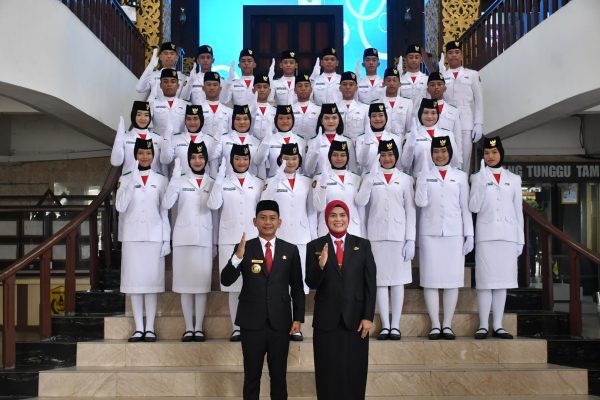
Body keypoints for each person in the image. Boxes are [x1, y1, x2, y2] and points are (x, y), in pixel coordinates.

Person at [221, 200, 305, 400]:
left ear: (279, 222)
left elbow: (297, 287)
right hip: (251, 323)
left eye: (272, 218)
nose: (268, 222)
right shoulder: (244, 247)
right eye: (263, 218)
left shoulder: (290, 250)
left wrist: (298, 318)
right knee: (252, 377)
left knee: (279, 377)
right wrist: (237, 257)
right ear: (255, 221)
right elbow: (226, 280)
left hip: (280, 323)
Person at [305, 200, 376, 400]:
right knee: (327, 372)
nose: (338, 219)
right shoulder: (315, 246)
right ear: (326, 218)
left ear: (348, 218)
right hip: (326, 322)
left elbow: (370, 284)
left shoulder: (363, 245)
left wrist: (368, 317)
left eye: (342, 215)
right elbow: (310, 282)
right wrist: (321, 266)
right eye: (333, 215)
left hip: (356, 321)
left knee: (355, 371)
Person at [356, 140, 416, 341]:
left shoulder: (405, 179)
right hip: (376, 235)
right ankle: (385, 325)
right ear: (378, 157)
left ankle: (395, 325)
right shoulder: (370, 177)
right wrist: (369, 180)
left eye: (390, 155)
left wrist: (410, 239)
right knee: (380, 282)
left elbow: (411, 211)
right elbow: (360, 202)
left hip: (399, 236)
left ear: (396, 156)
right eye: (383, 155)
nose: (387, 158)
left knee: (398, 282)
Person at [415, 136, 473, 340]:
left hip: (454, 233)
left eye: (443, 151)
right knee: (430, 280)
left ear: (450, 153)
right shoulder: (425, 175)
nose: (440, 155)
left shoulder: (460, 176)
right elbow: (420, 202)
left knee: (452, 280)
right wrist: (422, 180)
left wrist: (469, 234)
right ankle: (435, 324)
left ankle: (447, 324)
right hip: (429, 234)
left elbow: (465, 207)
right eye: (436, 151)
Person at [115, 138, 170, 342]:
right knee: (135, 285)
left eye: (148, 153)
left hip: (154, 237)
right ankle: (139, 328)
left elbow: (164, 212)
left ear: (153, 155)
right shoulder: (125, 178)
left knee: (151, 284)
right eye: (141, 153)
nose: (145, 156)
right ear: (135, 155)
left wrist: (166, 240)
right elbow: (120, 206)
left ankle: (150, 328)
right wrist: (131, 182)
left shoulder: (161, 179)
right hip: (132, 237)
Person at [469, 136, 523, 340]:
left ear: (501, 153)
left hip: (508, 236)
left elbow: (518, 213)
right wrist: (482, 184)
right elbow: (473, 207)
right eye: (486, 153)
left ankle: (498, 325)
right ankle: (483, 325)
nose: (490, 156)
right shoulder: (477, 177)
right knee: (485, 282)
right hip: (486, 236)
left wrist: (520, 240)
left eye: (494, 152)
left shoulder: (514, 179)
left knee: (502, 282)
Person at [207, 144, 263, 341]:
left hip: (253, 239)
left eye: (245, 159)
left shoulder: (258, 183)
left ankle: (253, 325)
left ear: (249, 161)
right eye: (237, 158)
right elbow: (213, 204)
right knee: (233, 287)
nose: (241, 162)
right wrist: (219, 179)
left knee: (253, 285)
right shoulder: (223, 181)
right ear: (232, 160)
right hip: (229, 239)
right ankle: (236, 328)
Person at [162, 142, 215, 342]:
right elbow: (166, 203)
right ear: (188, 159)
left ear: (206, 159)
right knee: (184, 286)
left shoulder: (212, 182)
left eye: (201, 157)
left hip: (204, 238)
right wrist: (174, 180)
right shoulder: (180, 180)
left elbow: (216, 213)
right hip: (183, 239)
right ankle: (188, 328)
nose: (197, 161)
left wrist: (215, 243)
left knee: (201, 286)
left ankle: (198, 328)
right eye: (193, 157)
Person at [261, 143, 317, 301]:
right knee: (280, 282)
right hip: (280, 236)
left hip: (301, 237)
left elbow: (311, 211)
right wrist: (276, 179)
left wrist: (313, 237)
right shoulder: (271, 180)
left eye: (294, 158)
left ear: (299, 160)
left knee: (300, 282)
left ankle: (297, 316)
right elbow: (264, 203)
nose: (291, 162)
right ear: (280, 159)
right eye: (286, 158)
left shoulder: (307, 181)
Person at [441, 40, 484, 171]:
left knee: (465, 159)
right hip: (447, 122)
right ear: (446, 57)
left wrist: (478, 123)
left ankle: (464, 182)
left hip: (466, 122)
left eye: (457, 52)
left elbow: (479, 100)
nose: (454, 55)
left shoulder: (472, 74)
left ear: (461, 55)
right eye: (450, 53)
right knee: (447, 157)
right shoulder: (442, 76)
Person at [312, 140, 364, 237]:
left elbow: (361, 209)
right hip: (327, 228)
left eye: (343, 155)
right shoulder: (319, 177)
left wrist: (363, 235)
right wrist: (323, 184)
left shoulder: (356, 178)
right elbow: (318, 207)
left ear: (347, 157)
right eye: (335, 155)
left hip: (353, 228)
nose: (339, 158)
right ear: (330, 156)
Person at [400, 98, 461, 174]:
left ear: (438, 115)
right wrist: (410, 146)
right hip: (421, 179)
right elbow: (405, 165)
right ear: (420, 114)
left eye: (433, 113)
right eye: (426, 112)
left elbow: (455, 163)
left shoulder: (448, 134)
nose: (429, 116)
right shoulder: (411, 135)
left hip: (442, 179)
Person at [160, 105, 220, 175]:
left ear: (201, 120)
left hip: (202, 181)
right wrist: (167, 135)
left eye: (195, 119)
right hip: (180, 181)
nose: (192, 122)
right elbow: (165, 160)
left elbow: (212, 164)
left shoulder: (209, 140)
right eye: (189, 119)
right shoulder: (175, 138)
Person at [111, 101, 166, 175]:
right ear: (133, 115)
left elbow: (164, 166)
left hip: (154, 181)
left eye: (146, 115)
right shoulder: (125, 137)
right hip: (130, 180)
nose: (143, 118)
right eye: (139, 114)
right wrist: (119, 137)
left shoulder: (158, 138)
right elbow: (116, 162)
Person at [304, 103, 357, 176]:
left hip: (342, 182)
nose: (331, 121)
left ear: (339, 120)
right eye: (326, 118)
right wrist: (315, 151)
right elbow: (309, 170)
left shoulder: (348, 142)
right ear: (321, 121)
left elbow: (352, 170)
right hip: (320, 181)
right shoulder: (312, 142)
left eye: (334, 118)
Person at [426, 71, 463, 168]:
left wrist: (459, 161)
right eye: (432, 85)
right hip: (428, 156)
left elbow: (458, 138)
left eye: (439, 84)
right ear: (428, 89)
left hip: (448, 155)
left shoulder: (453, 111)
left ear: (445, 88)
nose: (436, 87)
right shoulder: (422, 111)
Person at [355, 103, 403, 173]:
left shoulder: (396, 139)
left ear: (386, 117)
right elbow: (361, 163)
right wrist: (366, 143)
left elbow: (399, 166)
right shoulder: (360, 139)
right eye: (374, 116)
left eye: (381, 115)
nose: (377, 119)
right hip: (368, 177)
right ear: (369, 118)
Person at [221, 105, 268, 177]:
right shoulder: (223, 140)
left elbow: (261, 168)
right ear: (233, 120)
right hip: (228, 181)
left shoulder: (257, 142)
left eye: (245, 119)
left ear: (250, 121)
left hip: (251, 182)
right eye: (238, 119)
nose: (242, 122)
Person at [262, 105, 306, 177]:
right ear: (276, 120)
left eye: (288, 118)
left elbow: (303, 169)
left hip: (296, 181)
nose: (285, 121)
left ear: (293, 120)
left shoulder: (301, 141)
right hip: (274, 181)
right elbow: (261, 164)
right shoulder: (268, 140)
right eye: (281, 118)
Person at [149, 68, 188, 138]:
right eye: (165, 82)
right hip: (158, 142)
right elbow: (146, 127)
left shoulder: (186, 105)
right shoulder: (153, 104)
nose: (169, 84)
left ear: (178, 86)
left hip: (179, 142)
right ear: (160, 85)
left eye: (173, 82)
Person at [381, 67, 414, 139]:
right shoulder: (377, 103)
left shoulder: (407, 103)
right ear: (383, 84)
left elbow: (410, 128)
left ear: (399, 84)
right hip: (382, 142)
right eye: (388, 80)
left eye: (394, 80)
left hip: (401, 141)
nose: (391, 83)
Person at [199, 71, 233, 139]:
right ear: (203, 88)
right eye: (208, 85)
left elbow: (232, 135)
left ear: (220, 88)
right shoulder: (198, 110)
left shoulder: (229, 112)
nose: (212, 88)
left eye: (215, 85)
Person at [336, 71, 369, 141]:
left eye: (351, 84)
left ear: (356, 88)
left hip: (357, 145)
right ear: (340, 88)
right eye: (344, 84)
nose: (348, 87)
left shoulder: (365, 109)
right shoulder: (334, 108)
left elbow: (367, 132)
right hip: (338, 146)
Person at [292, 72, 321, 140]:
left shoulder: (319, 109)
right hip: (295, 144)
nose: (303, 89)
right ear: (295, 90)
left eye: (306, 86)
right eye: (299, 86)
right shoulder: (290, 110)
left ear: (311, 89)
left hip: (313, 144)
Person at [399, 44, 428, 110]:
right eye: (411, 57)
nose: (414, 60)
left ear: (421, 60)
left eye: (417, 57)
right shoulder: (400, 80)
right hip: (404, 114)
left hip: (422, 115)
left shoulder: (426, 79)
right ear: (406, 59)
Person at [250, 73, 276, 141]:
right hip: (251, 144)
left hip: (270, 144)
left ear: (269, 90)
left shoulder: (275, 111)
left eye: (265, 87)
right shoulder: (248, 110)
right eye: (259, 87)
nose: (262, 90)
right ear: (253, 90)